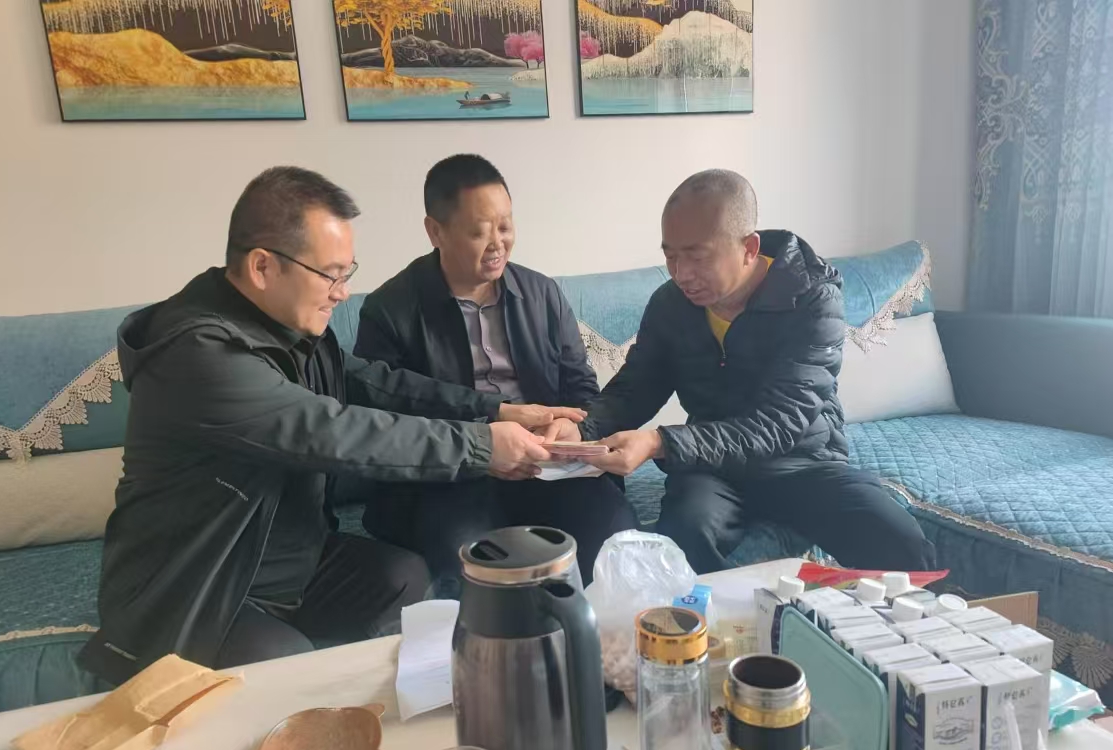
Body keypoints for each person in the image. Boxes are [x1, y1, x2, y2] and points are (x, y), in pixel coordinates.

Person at [79, 166, 583, 685]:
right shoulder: (197, 354)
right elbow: (331, 430)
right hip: (202, 580)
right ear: (262, 266)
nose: (343, 293)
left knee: (405, 579)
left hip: (290, 559)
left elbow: (377, 384)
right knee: (287, 667)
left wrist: (495, 411)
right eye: (331, 274)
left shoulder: (290, 325)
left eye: (347, 273)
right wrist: (481, 446)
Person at [554, 170, 934, 575]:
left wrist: (659, 442)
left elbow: (781, 422)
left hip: (801, 461)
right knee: (685, 532)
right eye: (670, 256)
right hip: (712, 467)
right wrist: (581, 429)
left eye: (697, 257)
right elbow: (635, 389)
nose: (681, 273)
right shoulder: (670, 305)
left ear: (749, 248)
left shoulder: (811, 299)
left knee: (898, 539)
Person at [354, 154, 638, 591]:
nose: (497, 244)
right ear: (435, 231)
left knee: (616, 534)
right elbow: (387, 412)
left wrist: (570, 429)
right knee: (468, 562)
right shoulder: (391, 310)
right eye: (479, 231)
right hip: (456, 475)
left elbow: (580, 386)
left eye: (505, 226)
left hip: (548, 467)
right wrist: (484, 442)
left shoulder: (542, 294)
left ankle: (593, 633)